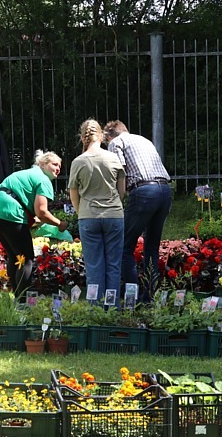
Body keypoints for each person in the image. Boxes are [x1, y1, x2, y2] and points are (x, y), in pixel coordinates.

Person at [0, 150, 67, 300]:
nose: (58, 168)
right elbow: (41, 211)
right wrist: (60, 224)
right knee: (26, 258)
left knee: (14, 256)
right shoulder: (43, 179)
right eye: (54, 164)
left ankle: (17, 297)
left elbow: (28, 204)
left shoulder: (26, 173)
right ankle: (23, 301)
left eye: (60, 166)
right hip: (10, 214)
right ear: (42, 164)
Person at [103, 120, 172, 303]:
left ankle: (132, 298)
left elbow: (119, 172)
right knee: (152, 246)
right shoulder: (143, 140)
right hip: (165, 190)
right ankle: (150, 297)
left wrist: (116, 199)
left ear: (109, 135)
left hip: (142, 192)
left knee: (125, 247)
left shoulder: (116, 143)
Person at [68, 119, 125, 306]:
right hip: (114, 216)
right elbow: (121, 190)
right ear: (101, 135)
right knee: (113, 266)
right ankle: (112, 308)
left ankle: (96, 310)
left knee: (94, 267)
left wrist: (80, 212)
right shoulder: (114, 158)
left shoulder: (78, 162)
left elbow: (74, 194)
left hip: (88, 216)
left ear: (82, 137)